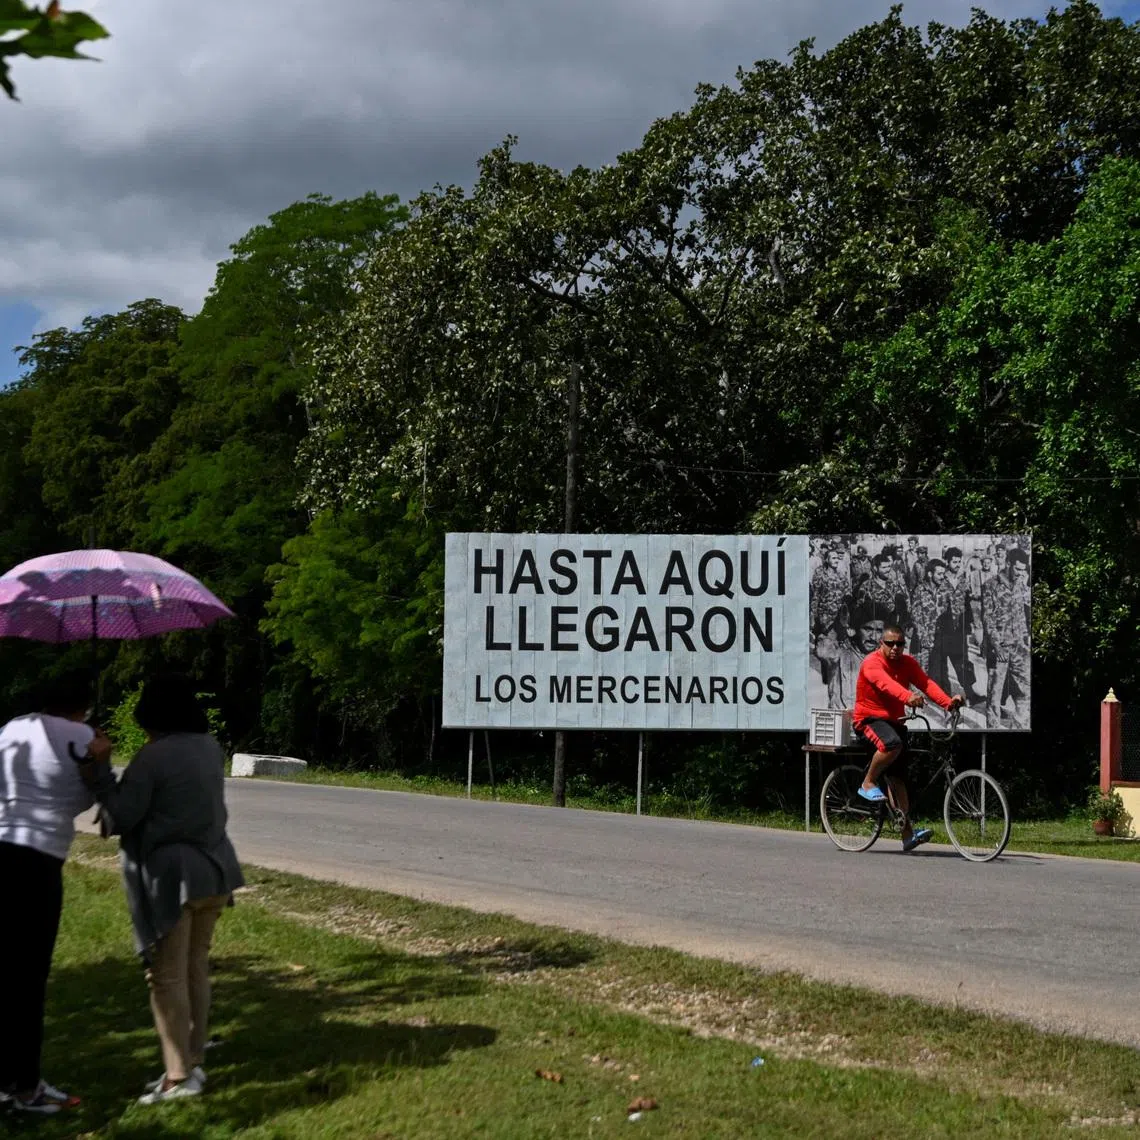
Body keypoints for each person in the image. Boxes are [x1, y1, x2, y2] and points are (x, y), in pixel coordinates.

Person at [79, 675, 244, 1106]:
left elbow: (121, 817)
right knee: (195, 966)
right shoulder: (210, 748)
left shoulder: (153, 758)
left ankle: (178, 1077)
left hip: (173, 879)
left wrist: (100, 770)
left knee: (165, 975)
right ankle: (194, 1058)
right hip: (215, 869)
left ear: (149, 716)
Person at [0, 676, 95, 1115]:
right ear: (82, 707)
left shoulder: (11, 728)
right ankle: (26, 1088)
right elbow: (89, 799)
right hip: (38, 861)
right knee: (29, 978)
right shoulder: (84, 736)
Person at [853, 622, 965, 851]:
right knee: (892, 744)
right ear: (881, 644)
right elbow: (885, 685)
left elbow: (925, 684)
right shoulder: (871, 663)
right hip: (869, 720)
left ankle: (907, 836)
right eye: (891, 643)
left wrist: (948, 704)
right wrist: (907, 697)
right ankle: (868, 782)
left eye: (900, 644)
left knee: (898, 779)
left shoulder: (907, 663)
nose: (895, 648)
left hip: (894, 721)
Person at [982, 548, 1031, 728]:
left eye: (1023, 570)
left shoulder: (1020, 585)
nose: (1020, 574)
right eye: (1018, 569)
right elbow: (987, 619)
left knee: (1026, 690)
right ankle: (993, 731)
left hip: (1019, 647)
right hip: (999, 648)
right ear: (1008, 564)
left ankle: (1018, 726)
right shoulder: (990, 585)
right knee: (995, 695)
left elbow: (1022, 615)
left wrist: (1025, 639)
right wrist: (997, 646)